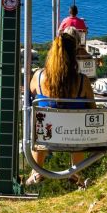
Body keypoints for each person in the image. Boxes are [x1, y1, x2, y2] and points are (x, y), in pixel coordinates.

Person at [26, 32, 96, 186]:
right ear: (74, 55)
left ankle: (37, 171)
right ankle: (76, 172)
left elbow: (30, 99)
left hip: (47, 136)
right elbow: (92, 108)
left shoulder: (38, 77)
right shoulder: (82, 81)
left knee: (41, 125)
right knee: (78, 125)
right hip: (75, 137)